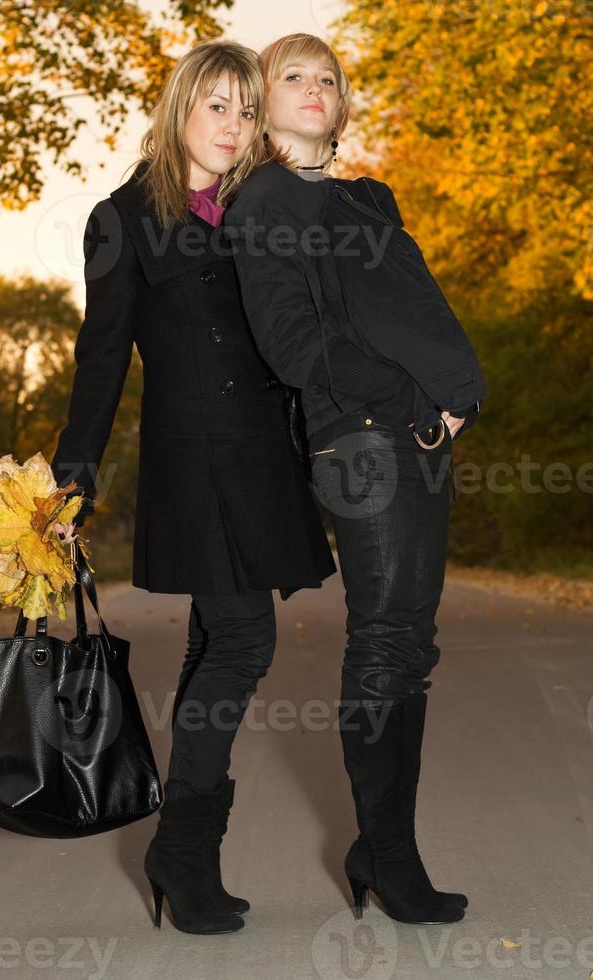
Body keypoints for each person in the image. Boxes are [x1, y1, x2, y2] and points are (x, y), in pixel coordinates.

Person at [50, 39, 336, 936]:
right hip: (197, 461)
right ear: (180, 109)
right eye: (216, 104)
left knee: (219, 638)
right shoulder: (122, 218)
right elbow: (99, 362)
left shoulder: (260, 207)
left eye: (247, 110)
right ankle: (180, 850)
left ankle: (189, 857)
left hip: (266, 458)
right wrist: (73, 481)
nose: (234, 124)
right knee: (245, 641)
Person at [223, 33, 489, 925]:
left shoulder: (365, 199)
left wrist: (448, 399)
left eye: (326, 79)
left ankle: (380, 847)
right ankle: (388, 855)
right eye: (291, 76)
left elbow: (412, 309)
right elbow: (294, 345)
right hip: (364, 440)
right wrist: (415, 399)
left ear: (341, 105)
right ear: (264, 102)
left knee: (406, 645)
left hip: (411, 434)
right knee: (385, 642)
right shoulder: (260, 200)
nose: (312, 89)